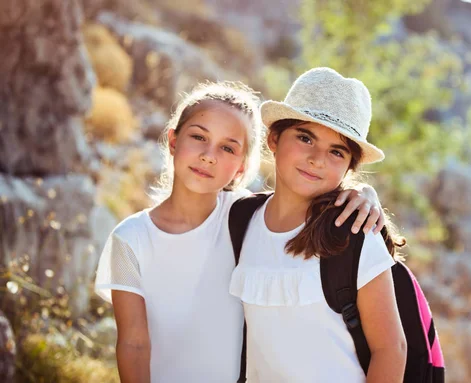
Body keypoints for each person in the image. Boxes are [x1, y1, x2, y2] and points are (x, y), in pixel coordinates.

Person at [94, 81, 386, 383]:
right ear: (172, 140)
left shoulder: (244, 216)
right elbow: (133, 344)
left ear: (241, 166)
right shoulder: (130, 238)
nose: (209, 156)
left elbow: (301, 202)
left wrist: (364, 193)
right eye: (198, 137)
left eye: (228, 147)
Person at [230, 68, 408, 382]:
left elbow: (391, 348)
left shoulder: (353, 234)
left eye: (336, 151)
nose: (317, 159)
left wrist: (367, 195)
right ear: (274, 138)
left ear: (349, 168)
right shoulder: (240, 218)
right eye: (305, 137)